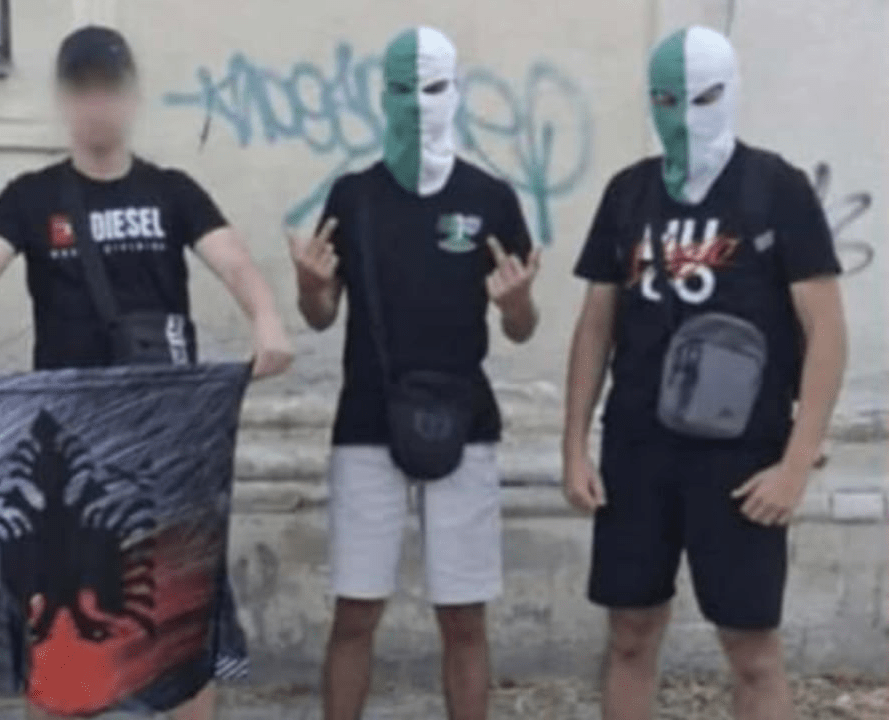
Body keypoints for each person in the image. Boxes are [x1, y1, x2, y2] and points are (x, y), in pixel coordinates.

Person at [0, 25, 294, 720]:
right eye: (82, 90)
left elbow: (235, 262)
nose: (97, 105)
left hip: (165, 444)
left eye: (108, 89)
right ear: (63, 100)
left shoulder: (173, 191)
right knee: (59, 628)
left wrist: (266, 320)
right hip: (68, 454)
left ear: (132, 97)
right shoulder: (31, 197)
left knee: (179, 618)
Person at [562, 26, 847, 720]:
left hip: (740, 455)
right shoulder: (628, 193)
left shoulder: (776, 188)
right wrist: (572, 447)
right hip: (637, 446)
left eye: (703, 98)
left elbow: (827, 333)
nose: (684, 117)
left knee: (751, 647)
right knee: (629, 634)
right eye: (666, 100)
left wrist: (796, 464)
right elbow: (596, 324)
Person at [290, 26, 540, 720]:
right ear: (383, 96)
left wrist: (517, 306)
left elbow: (522, 327)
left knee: (463, 616)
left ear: (456, 91)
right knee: (355, 611)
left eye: (431, 88)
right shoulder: (354, 196)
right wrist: (309, 289)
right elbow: (321, 315)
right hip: (367, 423)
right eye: (403, 89)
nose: (418, 105)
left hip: (466, 423)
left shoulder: (490, 198)